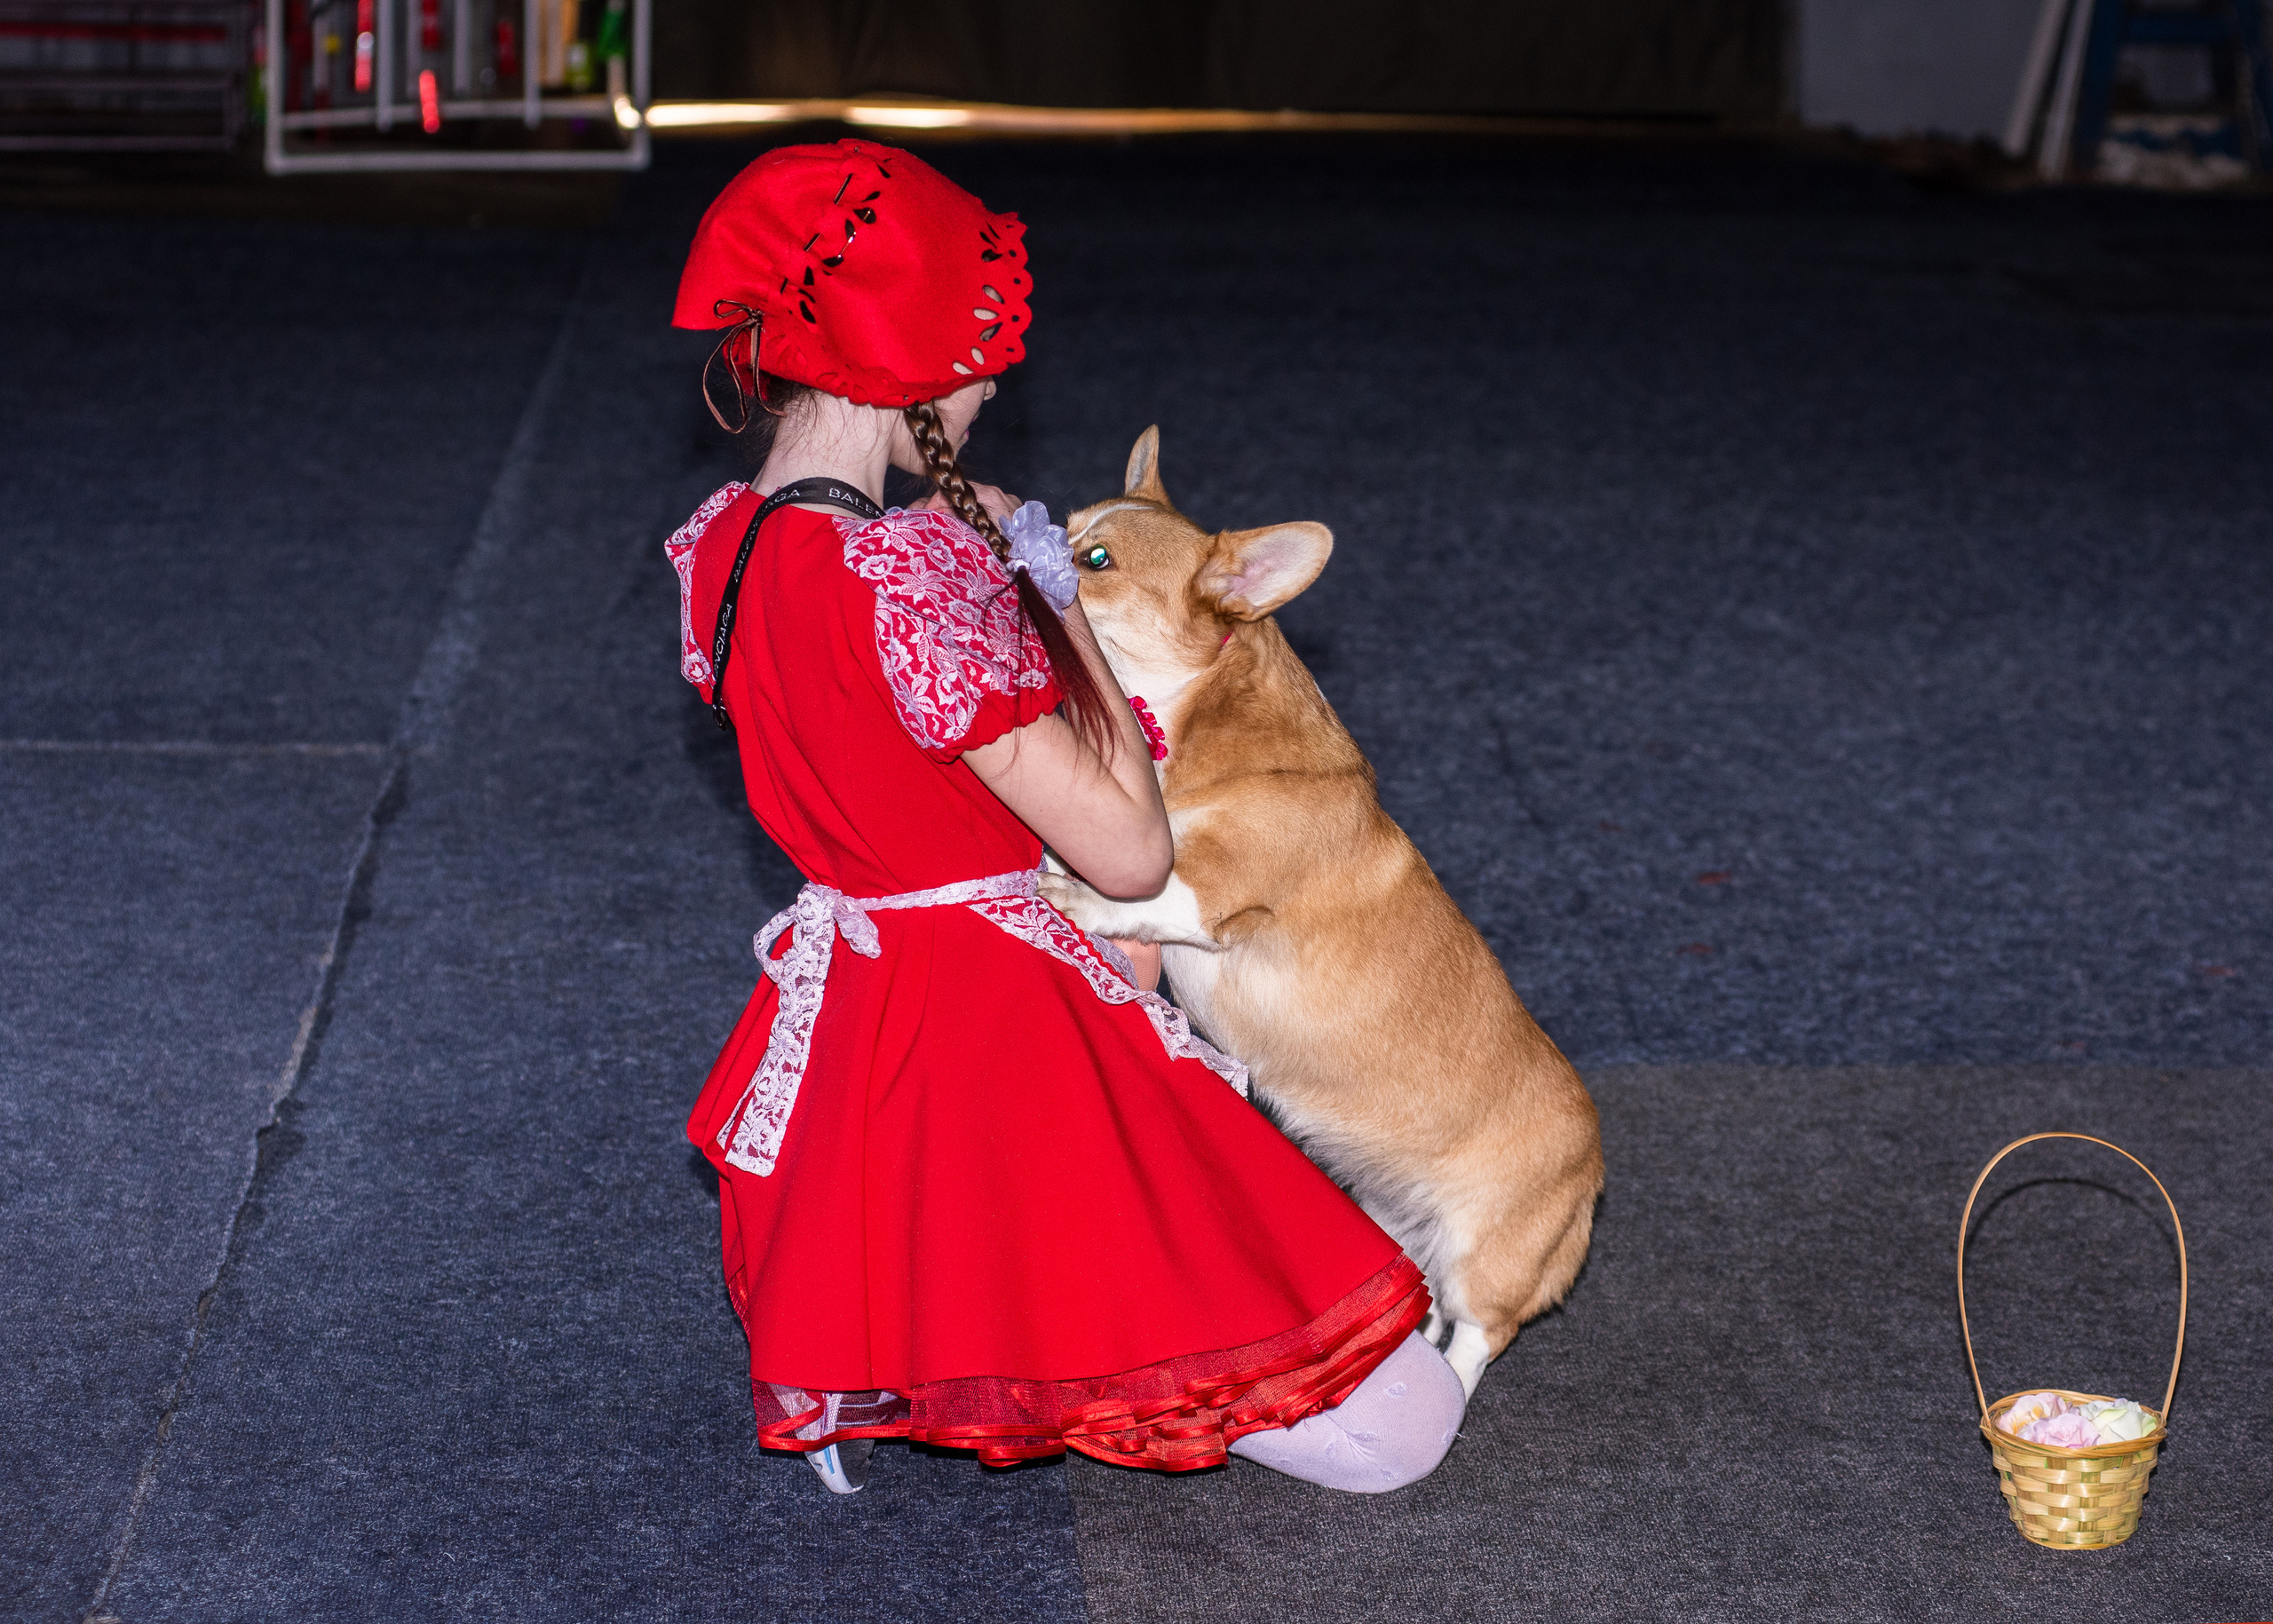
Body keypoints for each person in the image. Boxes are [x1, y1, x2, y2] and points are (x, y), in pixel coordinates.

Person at [669, 139, 1465, 1495]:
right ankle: (1089, 1337)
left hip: (863, 1021)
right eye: (978, 355)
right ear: (918, 360)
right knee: (1407, 1425)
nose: (989, 385)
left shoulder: (721, 550)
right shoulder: (913, 578)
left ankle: (959, 1314)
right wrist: (1051, 596)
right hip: (1002, 1028)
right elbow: (1128, 848)